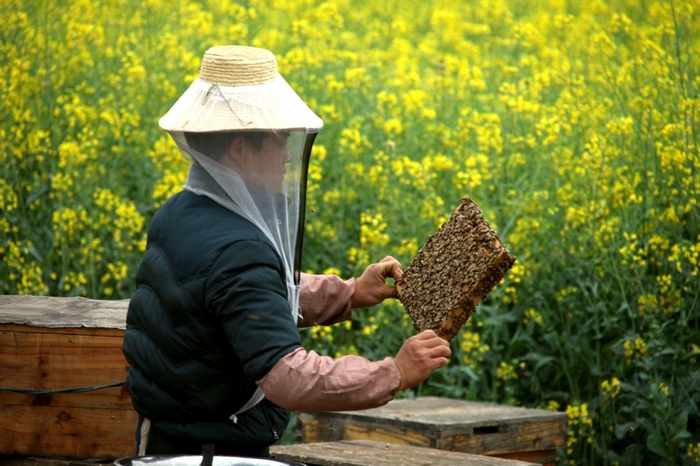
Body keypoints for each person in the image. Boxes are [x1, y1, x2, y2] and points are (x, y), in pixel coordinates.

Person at [122, 45, 451, 459]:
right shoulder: (239, 251)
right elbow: (287, 376)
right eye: (279, 138)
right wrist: (394, 372)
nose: (288, 153)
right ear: (240, 148)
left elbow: (234, 298)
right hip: (212, 451)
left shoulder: (179, 212)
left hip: (165, 439)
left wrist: (348, 292)